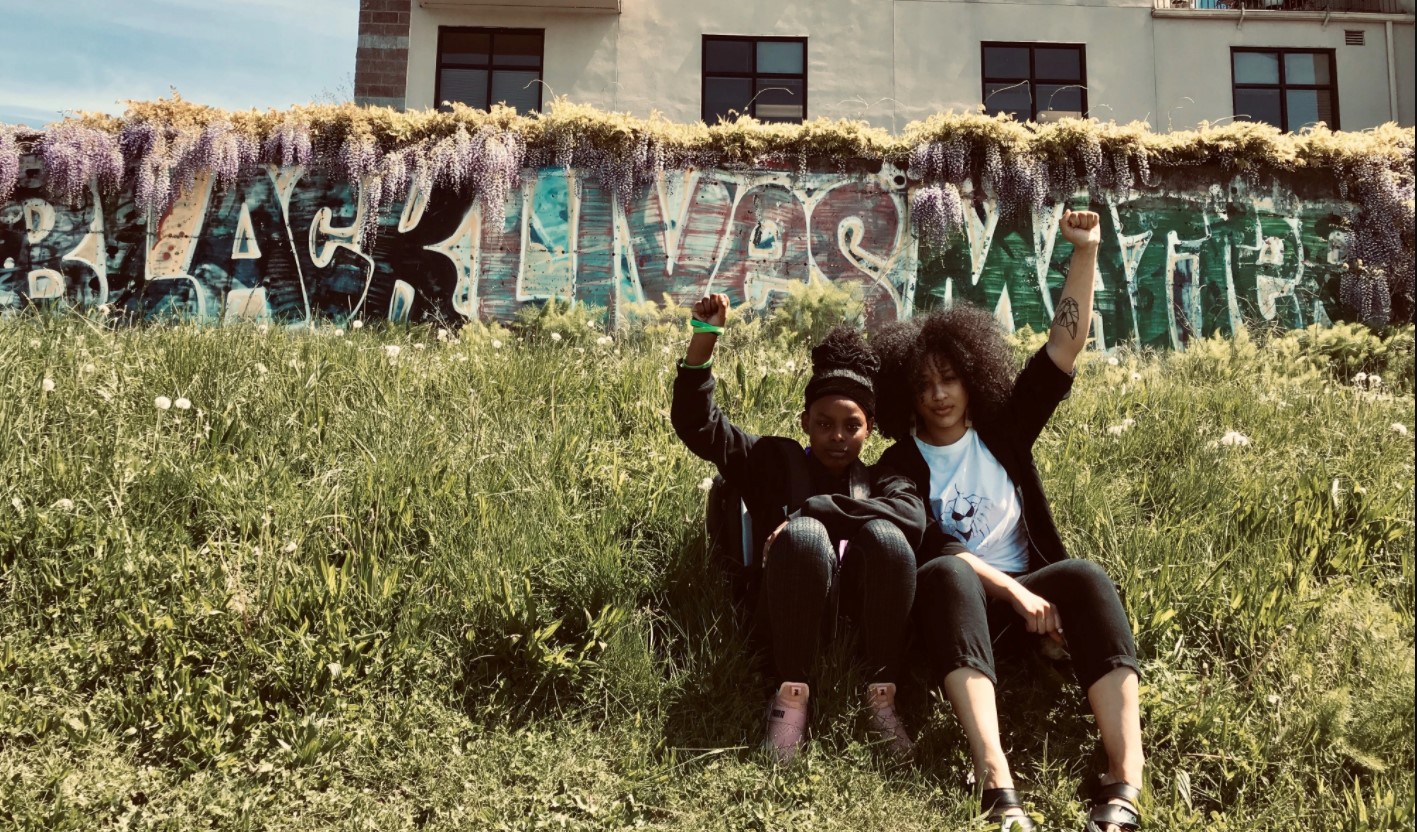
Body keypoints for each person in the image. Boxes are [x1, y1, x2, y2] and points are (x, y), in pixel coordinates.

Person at [872, 210, 1143, 832]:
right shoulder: (899, 464)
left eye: (950, 379)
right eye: (924, 386)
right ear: (906, 397)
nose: (939, 395)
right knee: (944, 571)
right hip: (970, 608)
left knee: (1086, 578)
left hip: (1036, 596)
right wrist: (1015, 593)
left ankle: (1125, 782)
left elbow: (1063, 347)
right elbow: (934, 543)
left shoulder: (1004, 430)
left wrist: (1085, 251)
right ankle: (998, 787)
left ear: (972, 379)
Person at [671, 293, 926, 763]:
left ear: (869, 427)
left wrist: (817, 507)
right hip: (783, 617)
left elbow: (913, 519)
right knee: (805, 537)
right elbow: (697, 424)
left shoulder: (881, 477)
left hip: (859, 628)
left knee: (886, 537)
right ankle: (790, 701)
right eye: (824, 423)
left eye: (852, 426)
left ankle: (881, 700)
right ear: (805, 421)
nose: (837, 436)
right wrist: (705, 338)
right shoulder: (772, 461)